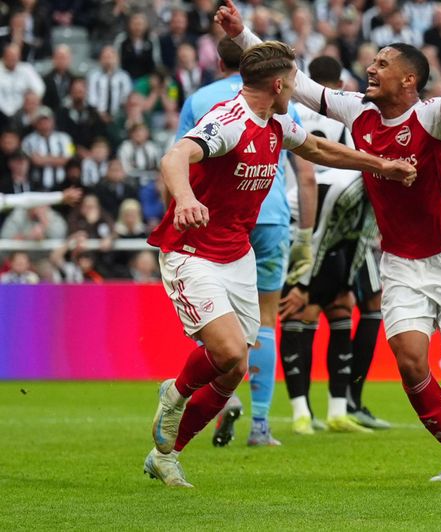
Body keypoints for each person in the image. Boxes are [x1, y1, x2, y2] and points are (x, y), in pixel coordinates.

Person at [219, 2, 441, 482]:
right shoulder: (359, 111)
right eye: (373, 60)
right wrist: (244, 36)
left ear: (409, 80)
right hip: (401, 261)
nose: (370, 67)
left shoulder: (433, 118)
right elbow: (297, 83)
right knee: (410, 364)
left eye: (383, 63)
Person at [144, 40, 416, 488]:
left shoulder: (276, 121)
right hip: (192, 252)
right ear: (278, 83)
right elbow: (174, 156)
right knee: (229, 352)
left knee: (233, 370)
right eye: (293, 82)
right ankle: (172, 395)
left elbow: (319, 151)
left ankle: (165, 455)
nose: (297, 89)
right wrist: (187, 198)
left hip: (237, 256)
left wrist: (381, 165)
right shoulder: (229, 123)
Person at [175, 37, 318, 448]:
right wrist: (304, 235)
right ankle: (260, 425)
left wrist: (181, 206)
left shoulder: (202, 101)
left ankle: (222, 398)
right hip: (270, 218)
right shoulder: (274, 104)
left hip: (212, 221)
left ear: (220, 63)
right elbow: (306, 173)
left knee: (218, 330)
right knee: (265, 323)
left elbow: (178, 158)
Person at [278, 55, 391, 434]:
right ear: (338, 83)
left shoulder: (291, 111)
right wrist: (303, 280)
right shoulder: (351, 114)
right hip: (318, 217)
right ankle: (323, 409)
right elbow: (321, 196)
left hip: (304, 214)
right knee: (306, 307)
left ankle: (329, 409)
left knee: (337, 303)